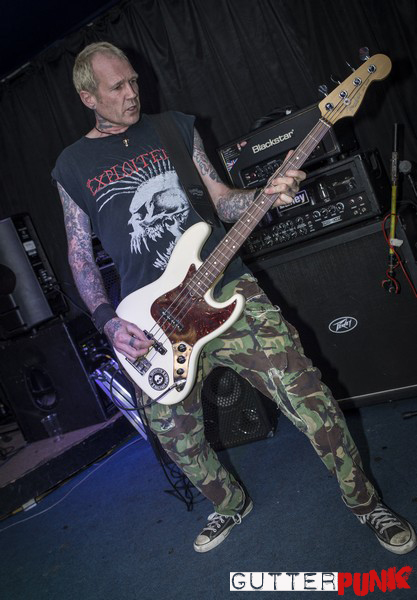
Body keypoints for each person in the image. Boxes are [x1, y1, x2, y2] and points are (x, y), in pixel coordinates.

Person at [52, 41, 416, 555]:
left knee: (307, 397)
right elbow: (79, 256)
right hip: (152, 322)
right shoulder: (72, 165)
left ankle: (364, 503)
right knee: (176, 436)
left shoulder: (174, 127)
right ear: (88, 97)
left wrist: (266, 196)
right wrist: (108, 321)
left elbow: (222, 202)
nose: (132, 93)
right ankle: (229, 504)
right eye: (118, 87)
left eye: (134, 80)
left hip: (227, 288)